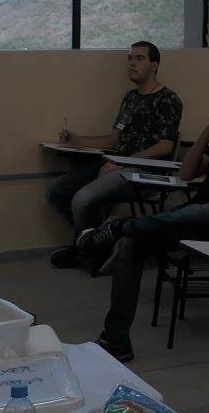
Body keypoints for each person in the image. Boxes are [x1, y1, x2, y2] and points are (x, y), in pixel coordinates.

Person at [90, 84, 209, 363]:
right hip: (193, 218)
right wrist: (208, 131)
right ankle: (116, 339)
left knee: (192, 214)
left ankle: (118, 227)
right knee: (132, 245)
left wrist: (204, 208)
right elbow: (186, 174)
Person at [46, 41, 183, 268]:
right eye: (130, 58)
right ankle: (104, 239)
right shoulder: (130, 98)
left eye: (139, 58)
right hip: (116, 164)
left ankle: (86, 248)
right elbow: (113, 140)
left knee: (82, 199)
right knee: (56, 190)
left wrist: (123, 163)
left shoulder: (168, 100)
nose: (132, 63)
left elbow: (165, 147)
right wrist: (77, 140)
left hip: (143, 171)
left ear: (154, 65)